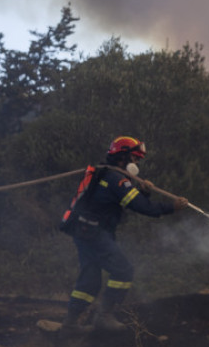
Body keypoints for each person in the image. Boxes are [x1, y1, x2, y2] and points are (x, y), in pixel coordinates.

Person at [60, 136, 188, 333]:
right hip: (93, 233)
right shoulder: (116, 179)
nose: (136, 163)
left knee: (91, 278)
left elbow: (131, 201)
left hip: (83, 230)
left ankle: (70, 323)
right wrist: (173, 207)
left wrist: (144, 192)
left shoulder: (107, 174)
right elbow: (143, 208)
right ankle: (103, 317)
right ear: (123, 158)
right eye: (135, 159)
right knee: (123, 270)